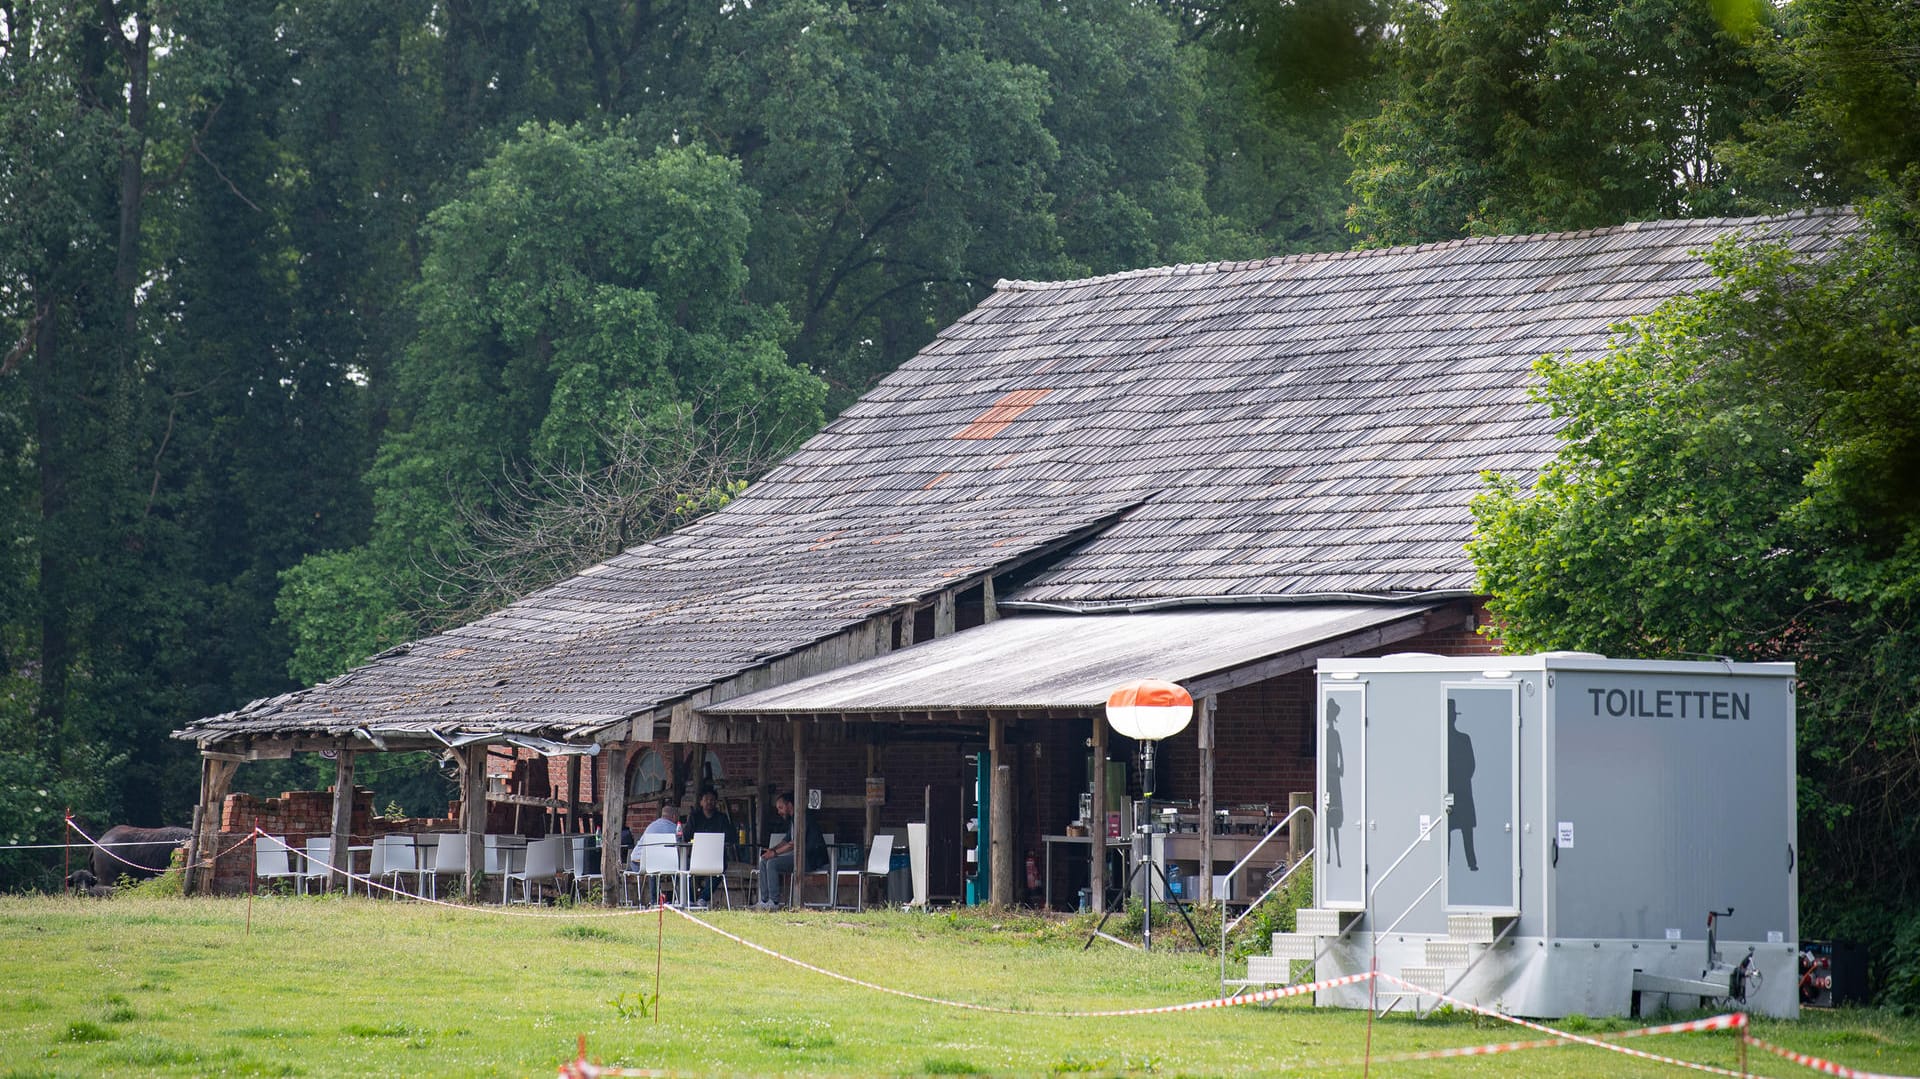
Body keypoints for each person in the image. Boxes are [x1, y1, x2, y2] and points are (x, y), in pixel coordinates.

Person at [756, 791, 826, 909]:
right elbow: (786, 841)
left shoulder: (803, 818)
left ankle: (774, 902)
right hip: (799, 857)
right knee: (763, 861)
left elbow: (793, 844)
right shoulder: (793, 819)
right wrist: (771, 850)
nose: (779, 812)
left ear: (789, 805)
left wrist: (774, 853)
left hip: (809, 859)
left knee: (772, 863)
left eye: (781, 808)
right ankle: (764, 900)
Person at [686, 787, 732, 904]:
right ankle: (690, 899)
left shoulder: (722, 818)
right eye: (706, 800)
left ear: (716, 802)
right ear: (701, 802)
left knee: (719, 869)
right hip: (697, 856)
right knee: (684, 867)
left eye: (712, 800)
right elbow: (686, 835)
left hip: (715, 856)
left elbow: (729, 837)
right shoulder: (695, 817)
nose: (709, 802)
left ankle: (703, 898)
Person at [631, 805, 681, 904]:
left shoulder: (651, 825)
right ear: (674, 817)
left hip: (636, 862)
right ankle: (683, 898)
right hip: (654, 864)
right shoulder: (675, 829)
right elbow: (678, 850)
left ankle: (654, 901)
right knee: (679, 868)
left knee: (653, 868)